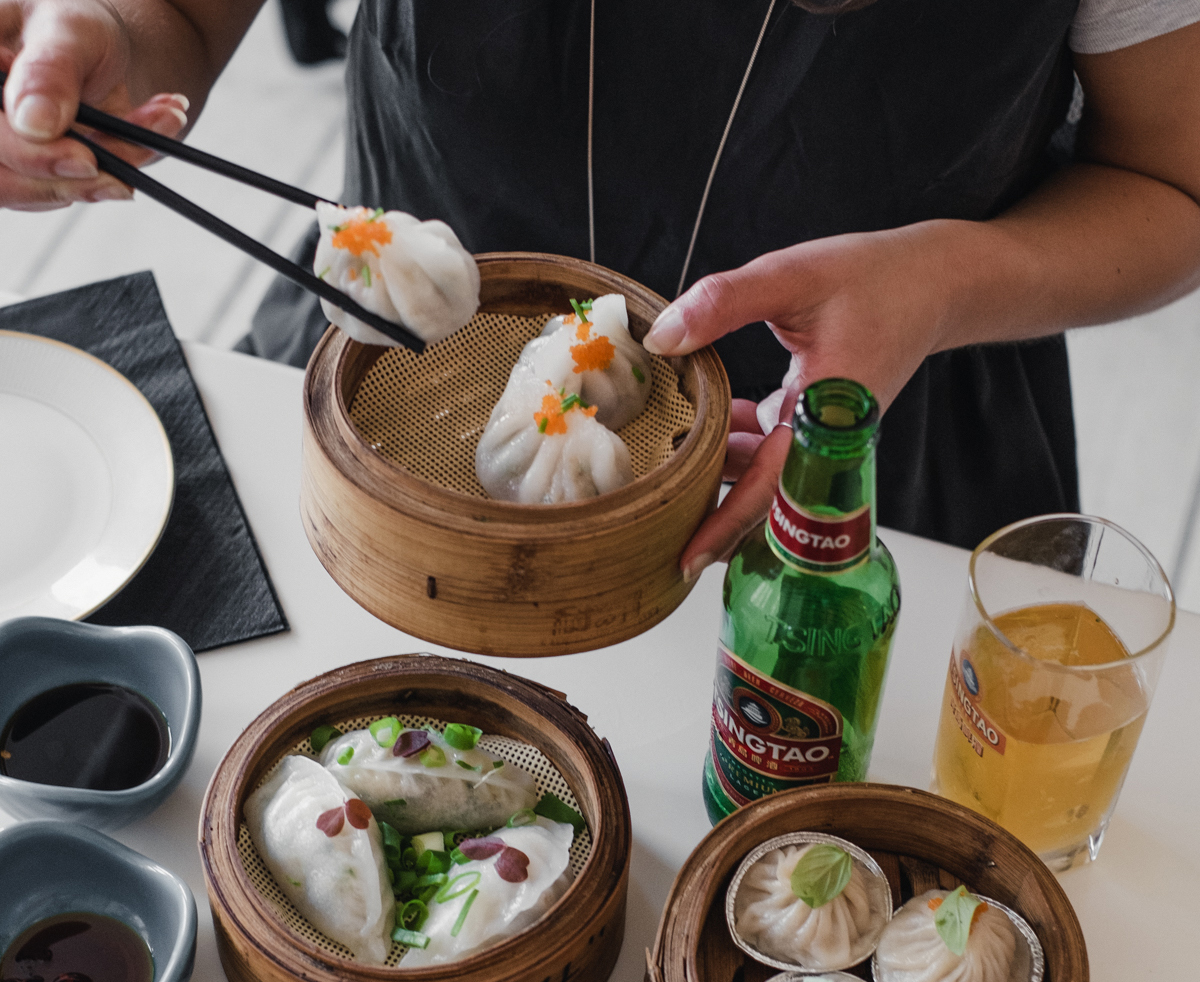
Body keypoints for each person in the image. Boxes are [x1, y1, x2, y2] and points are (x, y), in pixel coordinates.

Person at [2, 0, 1199, 575]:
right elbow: (179, 15)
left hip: (862, 471)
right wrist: (120, 37)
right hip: (388, 413)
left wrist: (941, 285)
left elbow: (1170, 180)